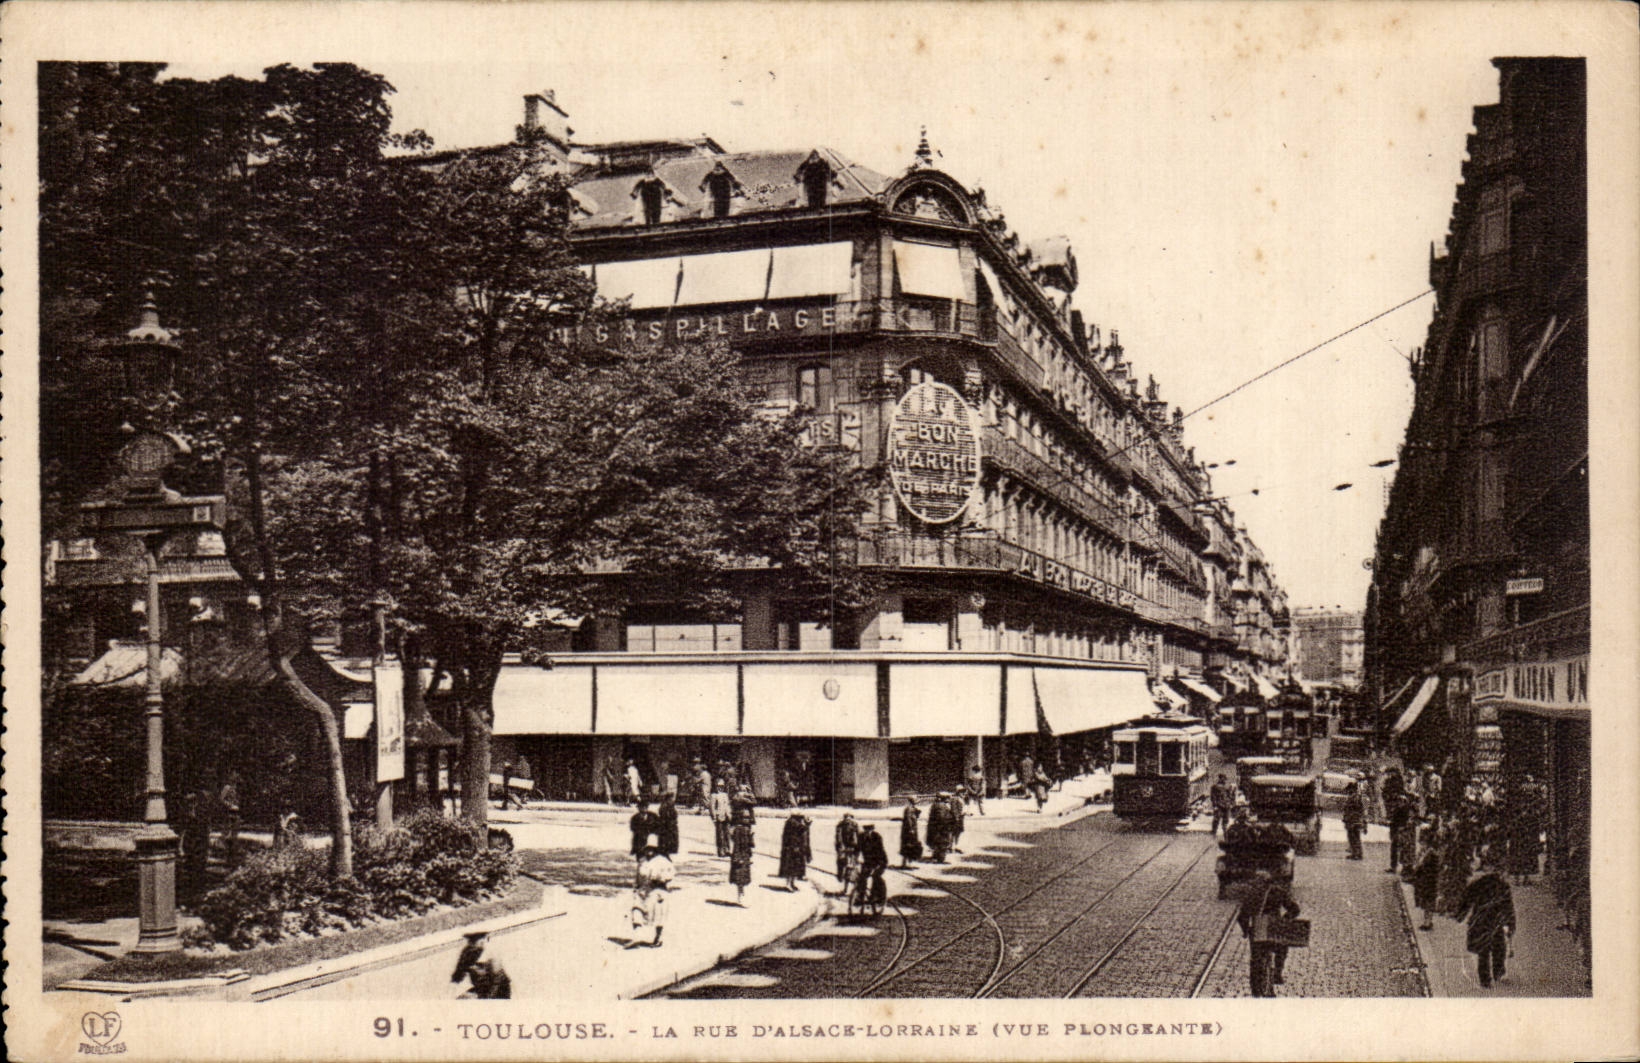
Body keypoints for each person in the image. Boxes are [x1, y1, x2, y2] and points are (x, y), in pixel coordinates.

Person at [1452, 850, 1516, 989]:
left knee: (1485, 950)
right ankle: (1497, 973)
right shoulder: (1501, 885)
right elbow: (1508, 906)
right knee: (1497, 947)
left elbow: (1466, 899)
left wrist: (1460, 915)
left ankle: (1486, 979)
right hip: (1493, 920)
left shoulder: (1479, 883)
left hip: (1482, 920)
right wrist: (1510, 924)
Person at [1236, 871, 1302, 997]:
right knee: (1281, 948)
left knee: (1255, 959)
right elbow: (1295, 909)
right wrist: (1284, 919)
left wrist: (1246, 931)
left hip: (1258, 929)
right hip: (1274, 927)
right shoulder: (1278, 891)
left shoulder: (1252, 894)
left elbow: (1242, 916)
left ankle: (1256, 989)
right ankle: (1277, 972)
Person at [630, 839, 675, 948]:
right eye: (647, 849)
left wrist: (661, 878)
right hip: (643, 891)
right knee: (636, 910)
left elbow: (671, 874)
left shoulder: (663, 861)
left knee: (658, 915)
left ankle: (658, 938)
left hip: (657, 891)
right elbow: (638, 876)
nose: (649, 851)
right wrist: (636, 887)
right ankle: (637, 936)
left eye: (652, 849)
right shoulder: (642, 861)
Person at [452, 930, 511, 998]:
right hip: (481, 988)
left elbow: (497, 981)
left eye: (478, 940)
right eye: (472, 941)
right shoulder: (467, 953)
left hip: (499, 991)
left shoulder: (491, 954)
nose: (473, 943)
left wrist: (487, 998)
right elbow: (458, 973)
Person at [1411, 834, 1442, 931]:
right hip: (1426, 881)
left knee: (1428, 902)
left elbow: (1423, 867)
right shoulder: (1427, 853)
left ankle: (1428, 922)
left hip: (1429, 881)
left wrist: (1418, 865)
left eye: (1423, 843)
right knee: (1426, 902)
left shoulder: (1431, 855)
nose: (1421, 845)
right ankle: (1427, 921)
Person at [855, 821, 889, 908]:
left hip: (880, 861)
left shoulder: (877, 837)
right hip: (868, 861)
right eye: (866, 829)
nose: (867, 832)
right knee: (862, 877)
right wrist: (855, 859)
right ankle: (860, 897)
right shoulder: (861, 837)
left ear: (872, 830)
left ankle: (877, 898)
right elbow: (857, 849)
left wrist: (877, 866)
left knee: (876, 877)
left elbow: (880, 851)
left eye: (869, 830)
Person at [778, 812, 811, 891]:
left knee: (795, 867)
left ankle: (792, 883)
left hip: (796, 848)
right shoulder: (792, 823)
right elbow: (794, 835)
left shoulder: (794, 822)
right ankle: (788, 884)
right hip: (792, 849)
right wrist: (807, 824)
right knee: (791, 867)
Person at [729, 808, 756, 905]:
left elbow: (751, 845)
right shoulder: (738, 830)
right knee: (740, 879)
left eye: (748, 817)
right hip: (740, 857)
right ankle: (741, 897)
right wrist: (737, 858)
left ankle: (742, 896)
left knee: (744, 878)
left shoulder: (747, 829)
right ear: (740, 818)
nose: (747, 819)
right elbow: (736, 846)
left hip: (745, 856)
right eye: (745, 817)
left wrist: (751, 836)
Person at [218, 773, 242, 867]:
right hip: (229, 814)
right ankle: (226, 859)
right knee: (228, 835)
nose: (236, 779)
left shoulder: (235, 788)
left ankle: (232, 859)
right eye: (234, 777)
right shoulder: (227, 788)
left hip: (235, 814)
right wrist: (230, 805)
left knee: (234, 836)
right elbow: (221, 799)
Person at [1386, 792, 1413, 874]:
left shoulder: (1405, 810)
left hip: (1401, 831)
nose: (1399, 802)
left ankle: (1404, 867)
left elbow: (1407, 821)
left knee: (1402, 849)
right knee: (1395, 849)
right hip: (1396, 831)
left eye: (1401, 801)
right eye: (1398, 801)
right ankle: (1394, 866)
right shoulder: (1398, 809)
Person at [926, 792, 956, 863]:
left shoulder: (936, 805)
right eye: (948, 798)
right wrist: (950, 822)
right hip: (942, 828)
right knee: (943, 843)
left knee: (937, 843)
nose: (950, 799)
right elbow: (942, 818)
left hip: (936, 828)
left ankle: (935, 856)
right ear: (945, 798)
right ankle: (941, 859)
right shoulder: (942, 806)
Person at [834, 811, 860, 892]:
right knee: (847, 867)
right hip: (847, 850)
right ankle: (843, 881)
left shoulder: (851, 825)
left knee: (847, 868)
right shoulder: (844, 825)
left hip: (848, 850)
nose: (848, 821)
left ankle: (846, 886)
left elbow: (857, 838)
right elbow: (838, 837)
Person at [629, 799, 660, 864]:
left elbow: (658, 825)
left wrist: (653, 833)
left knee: (652, 857)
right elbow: (633, 828)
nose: (643, 809)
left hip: (651, 840)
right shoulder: (635, 818)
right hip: (639, 840)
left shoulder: (653, 816)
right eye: (641, 807)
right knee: (641, 858)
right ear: (639, 808)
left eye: (645, 807)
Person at [1342, 781, 1367, 860]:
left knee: (1354, 837)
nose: (1348, 791)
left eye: (1349, 790)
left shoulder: (1355, 798)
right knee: (1352, 837)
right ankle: (1355, 853)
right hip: (1352, 820)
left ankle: (1357, 853)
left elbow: (1357, 810)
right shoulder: (1354, 797)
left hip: (1354, 820)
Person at [709, 778, 733, 857]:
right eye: (718, 786)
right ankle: (720, 850)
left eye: (722, 786)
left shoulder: (725, 795)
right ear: (716, 786)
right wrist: (714, 817)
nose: (720, 788)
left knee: (727, 834)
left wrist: (729, 814)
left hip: (726, 816)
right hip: (719, 816)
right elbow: (712, 807)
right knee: (720, 835)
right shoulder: (714, 795)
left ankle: (727, 849)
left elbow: (727, 805)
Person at [899, 796, 923, 868]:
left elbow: (913, 818)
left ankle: (906, 863)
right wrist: (911, 829)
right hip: (909, 831)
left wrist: (917, 813)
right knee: (908, 846)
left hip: (911, 830)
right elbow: (908, 819)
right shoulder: (909, 809)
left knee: (910, 846)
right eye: (916, 801)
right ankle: (905, 864)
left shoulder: (912, 808)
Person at [656, 793, 680, 858]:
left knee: (672, 836)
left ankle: (672, 848)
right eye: (671, 798)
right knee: (666, 836)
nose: (672, 800)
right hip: (666, 824)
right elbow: (664, 815)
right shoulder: (664, 806)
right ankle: (666, 848)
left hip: (671, 824)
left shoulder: (671, 805)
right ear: (667, 799)